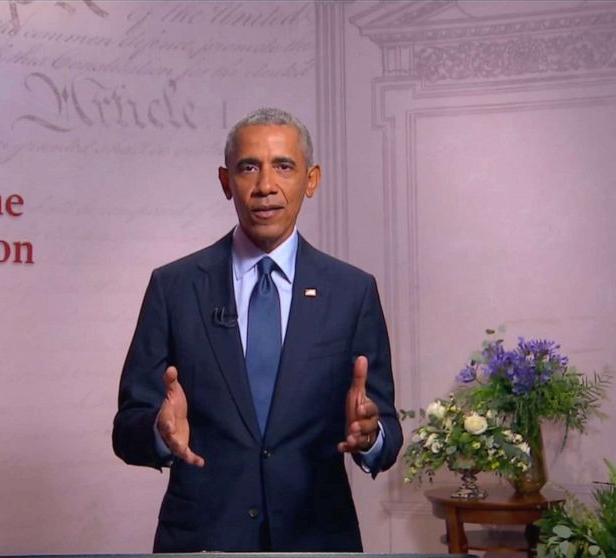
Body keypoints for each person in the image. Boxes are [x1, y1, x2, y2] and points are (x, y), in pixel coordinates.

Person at [112, 108, 402, 552]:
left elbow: (386, 431)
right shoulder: (174, 287)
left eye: (283, 166)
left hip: (318, 540)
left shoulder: (352, 291)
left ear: (311, 179)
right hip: (203, 542)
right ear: (227, 181)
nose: (266, 185)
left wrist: (370, 437)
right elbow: (126, 428)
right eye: (249, 167)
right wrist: (159, 432)